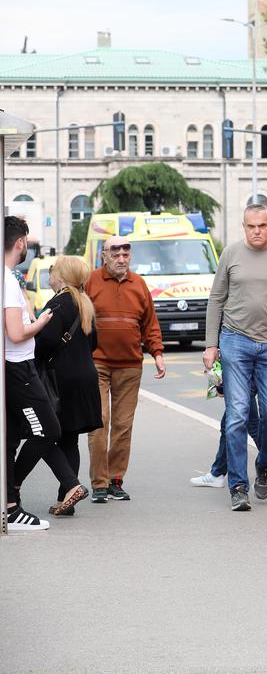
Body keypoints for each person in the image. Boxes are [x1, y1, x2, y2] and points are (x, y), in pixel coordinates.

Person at [203, 203, 267, 511]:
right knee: (237, 415)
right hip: (235, 341)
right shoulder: (231, 254)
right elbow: (216, 298)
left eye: (262, 226)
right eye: (251, 226)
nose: (256, 231)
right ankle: (238, 486)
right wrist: (210, 345)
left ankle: (264, 463)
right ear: (243, 226)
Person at [4, 217, 87, 530]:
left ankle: (11, 506)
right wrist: (40, 323)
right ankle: (10, 496)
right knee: (47, 430)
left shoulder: (9, 280)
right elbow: (15, 333)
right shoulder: (9, 281)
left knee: (12, 437)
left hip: (16, 368)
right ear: (21, 242)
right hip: (18, 369)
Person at [13, 256, 102, 517]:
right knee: (69, 437)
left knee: (43, 432)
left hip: (58, 379)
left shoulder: (58, 303)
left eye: (52, 272)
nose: (50, 276)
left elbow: (45, 343)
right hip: (85, 377)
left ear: (61, 276)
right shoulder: (85, 303)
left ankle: (66, 486)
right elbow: (94, 342)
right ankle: (67, 497)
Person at [85, 234, 166, 503]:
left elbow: (150, 324)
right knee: (100, 423)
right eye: (115, 254)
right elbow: (78, 317)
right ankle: (98, 483)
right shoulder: (91, 281)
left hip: (130, 366)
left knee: (122, 425)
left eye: (125, 254)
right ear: (104, 255)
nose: (121, 259)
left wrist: (157, 353)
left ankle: (115, 480)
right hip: (97, 363)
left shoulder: (139, 284)